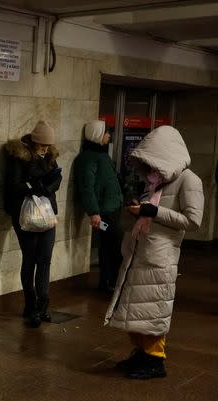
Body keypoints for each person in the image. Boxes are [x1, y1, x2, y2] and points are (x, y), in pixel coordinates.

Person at [106, 125, 203, 380]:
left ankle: (155, 360)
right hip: (140, 251)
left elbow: (193, 221)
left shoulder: (189, 180)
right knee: (136, 309)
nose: (149, 169)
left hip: (160, 256)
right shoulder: (155, 181)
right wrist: (138, 209)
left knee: (153, 308)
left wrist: (152, 212)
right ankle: (141, 353)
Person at [3, 120, 63, 328]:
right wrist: (34, 185)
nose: (45, 150)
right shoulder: (19, 157)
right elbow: (13, 185)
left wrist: (48, 186)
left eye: (48, 146)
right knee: (30, 258)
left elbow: (57, 179)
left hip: (47, 214)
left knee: (45, 259)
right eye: (42, 146)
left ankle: (42, 306)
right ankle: (30, 304)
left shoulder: (50, 156)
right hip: (25, 215)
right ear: (34, 142)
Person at [74, 119, 123, 292]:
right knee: (110, 248)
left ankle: (111, 282)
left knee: (113, 246)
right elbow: (87, 187)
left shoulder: (101, 155)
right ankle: (108, 283)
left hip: (112, 208)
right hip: (103, 211)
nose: (109, 135)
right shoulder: (88, 158)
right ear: (97, 135)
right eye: (106, 132)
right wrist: (94, 212)